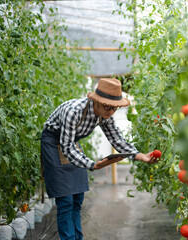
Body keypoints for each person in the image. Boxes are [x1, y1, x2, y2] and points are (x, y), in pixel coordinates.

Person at [40, 78, 158, 240]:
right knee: (65, 199)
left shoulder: (105, 115)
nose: (110, 111)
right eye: (107, 106)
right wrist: (93, 165)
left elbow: (117, 139)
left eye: (114, 108)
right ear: (96, 101)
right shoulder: (74, 112)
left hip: (71, 142)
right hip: (54, 142)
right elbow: (66, 147)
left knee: (77, 199)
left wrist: (140, 156)